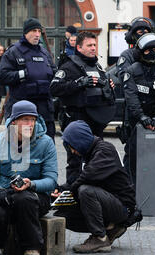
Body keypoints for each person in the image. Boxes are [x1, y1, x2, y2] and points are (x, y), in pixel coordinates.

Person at [0, 100, 58, 255]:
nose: (29, 124)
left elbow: (51, 180)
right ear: (14, 121)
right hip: (5, 193)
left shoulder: (46, 143)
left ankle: (32, 247)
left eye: (32, 120)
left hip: (35, 196)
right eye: (25, 119)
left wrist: (31, 184)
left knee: (24, 200)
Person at [57, 120, 137, 253]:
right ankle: (111, 228)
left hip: (124, 207)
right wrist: (60, 191)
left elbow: (87, 177)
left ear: (80, 141)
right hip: (109, 200)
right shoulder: (87, 152)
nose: (72, 151)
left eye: (72, 146)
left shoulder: (105, 150)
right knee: (64, 214)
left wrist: (69, 191)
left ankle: (100, 238)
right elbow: (74, 180)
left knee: (85, 191)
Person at [50, 31, 116, 186]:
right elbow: (54, 88)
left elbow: (105, 94)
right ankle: (73, 194)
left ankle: (94, 191)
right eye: (89, 45)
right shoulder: (69, 66)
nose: (93, 48)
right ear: (79, 47)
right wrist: (78, 83)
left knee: (97, 159)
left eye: (94, 45)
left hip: (96, 120)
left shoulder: (98, 67)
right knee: (75, 161)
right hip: (76, 120)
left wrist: (109, 87)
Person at [122, 33, 155, 183]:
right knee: (133, 154)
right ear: (140, 52)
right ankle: (130, 186)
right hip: (137, 120)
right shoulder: (131, 71)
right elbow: (130, 96)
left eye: (154, 50)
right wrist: (141, 117)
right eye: (147, 50)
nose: (151, 53)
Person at [0, 18, 57, 140]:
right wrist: (23, 74)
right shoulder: (14, 51)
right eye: (34, 31)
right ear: (25, 33)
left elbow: (54, 74)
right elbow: (2, 76)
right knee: (21, 150)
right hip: (22, 108)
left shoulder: (44, 53)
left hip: (44, 109)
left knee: (46, 147)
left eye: (39, 31)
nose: (37, 34)